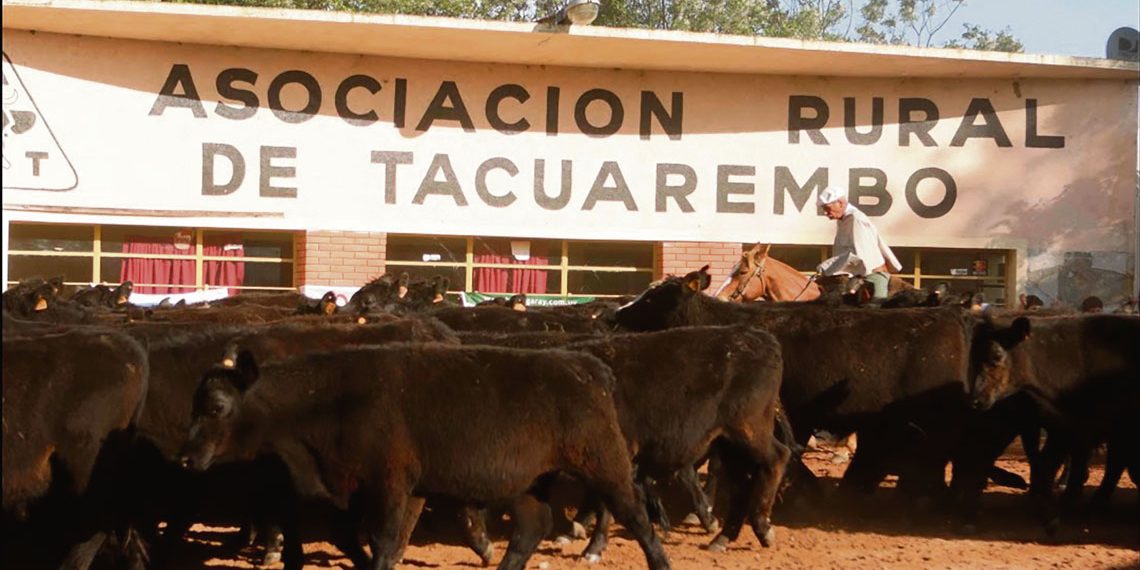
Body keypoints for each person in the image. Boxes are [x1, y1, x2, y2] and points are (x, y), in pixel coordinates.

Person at [816, 186, 901, 300]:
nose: (826, 213)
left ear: (841, 203)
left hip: (872, 276)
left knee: (874, 311)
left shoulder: (856, 219)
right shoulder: (845, 220)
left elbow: (859, 256)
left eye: (827, 208)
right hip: (860, 275)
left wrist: (826, 267)